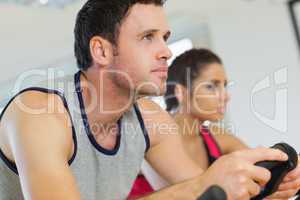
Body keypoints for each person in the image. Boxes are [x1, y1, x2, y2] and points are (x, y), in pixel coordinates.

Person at [0, 0, 297, 199]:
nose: (166, 51)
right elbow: (200, 186)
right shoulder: (40, 114)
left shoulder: (150, 120)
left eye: (165, 37)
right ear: (102, 51)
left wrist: (261, 188)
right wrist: (204, 184)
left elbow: (207, 191)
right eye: (148, 37)